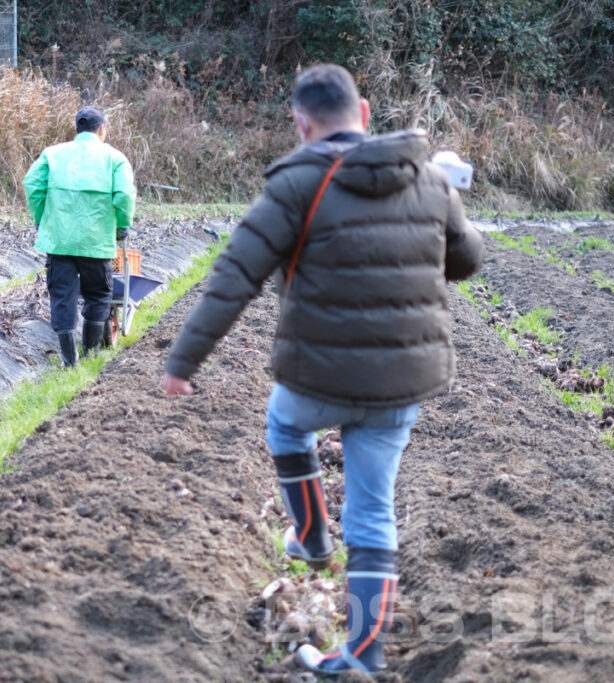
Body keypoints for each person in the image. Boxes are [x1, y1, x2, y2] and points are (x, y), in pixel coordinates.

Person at [161, 64, 484, 675]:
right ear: (363, 112)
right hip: (401, 382)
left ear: (301, 123)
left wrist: (183, 362)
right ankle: (363, 655)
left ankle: (309, 536)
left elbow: (236, 276)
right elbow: (465, 262)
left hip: (317, 376)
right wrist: (448, 204)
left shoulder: (296, 183)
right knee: (373, 511)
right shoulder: (430, 180)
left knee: (286, 426)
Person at [23, 106, 136, 367]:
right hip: (96, 242)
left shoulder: (53, 154)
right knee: (98, 293)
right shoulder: (114, 158)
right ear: (101, 130)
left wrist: (42, 218)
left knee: (62, 295)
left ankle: (69, 360)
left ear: (77, 130)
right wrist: (121, 225)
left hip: (60, 241)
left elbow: (31, 184)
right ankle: (91, 354)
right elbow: (124, 195)